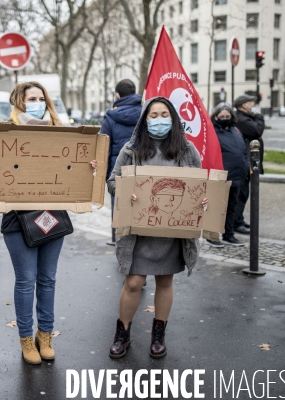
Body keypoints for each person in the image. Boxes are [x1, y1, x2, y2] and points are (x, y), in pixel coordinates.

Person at [0, 82, 97, 365]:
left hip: (51, 216)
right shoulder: (3, 134)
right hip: (17, 218)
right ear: (19, 103)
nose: (36, 102)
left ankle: (44, 335)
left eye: (40, 98)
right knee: (26, 280)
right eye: (30, 98)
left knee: (47, 279)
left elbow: (75, 171)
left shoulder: (62, 134)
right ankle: (26, 338)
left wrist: (89, 168)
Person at [106, 97, 208, 360]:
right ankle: (123, 333)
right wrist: (127, 191)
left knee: (165, 280)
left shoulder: (188, 150)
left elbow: (200, 185)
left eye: (164, 114)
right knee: (133, 282)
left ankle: (158, 335)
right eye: (154, 115)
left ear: (173, 119)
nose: (159, 119)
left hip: (172, 231)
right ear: (145, 119)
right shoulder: (131, 149)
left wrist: (203, 198)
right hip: (139, 231)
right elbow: (113, 181)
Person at [100, 79, 142, 244]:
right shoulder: (145, 112)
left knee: (117, 201)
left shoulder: (111, 116)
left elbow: (104, 146)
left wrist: (103, 173)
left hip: (118, 167)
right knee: (141, 200)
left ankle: (118, 238)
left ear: (117, 95)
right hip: (142, 165)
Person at [209, 103, 249, 247]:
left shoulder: (236, 131)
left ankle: (228, 235)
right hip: (221, 176)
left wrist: (246, 166)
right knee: (216, 207)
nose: (225, 118)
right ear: (216, 116)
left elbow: (243, 150)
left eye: (227, 116)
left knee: (232, 207)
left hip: (237, 176)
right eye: (222, 116)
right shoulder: (212, 132)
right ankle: (212, 236)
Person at [233, 95, 265, 235]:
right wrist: (259, 116)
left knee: (244, 193)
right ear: (244, 105)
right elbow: (257, 130)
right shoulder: (241, 119)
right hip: (245, 162)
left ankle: (238, 219)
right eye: (251, 102)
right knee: (242, 193)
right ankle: (236, 222)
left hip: (249, 160)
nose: (253, 104)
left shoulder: (244, 117)